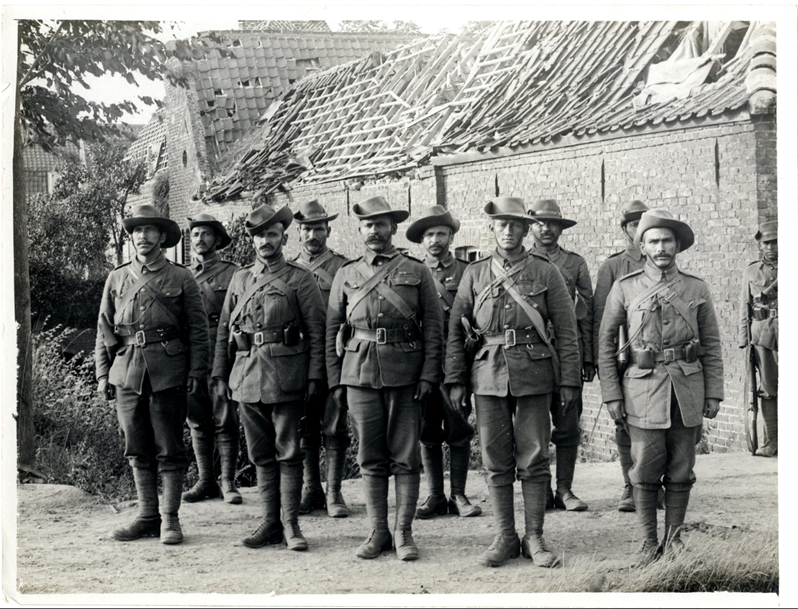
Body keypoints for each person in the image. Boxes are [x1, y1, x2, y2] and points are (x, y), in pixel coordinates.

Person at [446, 197, 581, 568]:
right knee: (494, 459)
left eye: (515, 225)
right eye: (501, 225)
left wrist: (569, 381)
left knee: (535, 457)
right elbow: (456, 332)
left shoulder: (545, 272)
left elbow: (567, 332)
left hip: (535, 374)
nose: (508, 231)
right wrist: (455, 380)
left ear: (526, 230)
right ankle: (505, 536)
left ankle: (534, 536)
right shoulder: (473, 274)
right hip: (487, 374)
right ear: (492, 229)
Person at [598, 209, 723, 564]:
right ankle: (646, 543)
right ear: (642, 246)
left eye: (667, 240)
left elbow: (711, 343)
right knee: (645, 468)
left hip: (687, 390)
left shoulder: (696, 287)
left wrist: (713, 392)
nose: (661, 247)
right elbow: (606, 343)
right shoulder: (625, 287)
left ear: (678, 245)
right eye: (653, 241)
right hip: (642, 391)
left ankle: (675, 541)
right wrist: (611, 393)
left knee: (682, 469)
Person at [325, 196, 444, 561]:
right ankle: (377, 532)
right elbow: (332, 328)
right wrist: (336, 381)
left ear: (393, 229)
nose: (374, 231)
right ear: (360, 230)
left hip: (406, 374)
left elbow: (434, 328)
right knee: (369, 456)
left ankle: (403, 534)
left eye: (381, 224)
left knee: (406, 457)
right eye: (368, 225)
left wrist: (428, 375)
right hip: (358, 374)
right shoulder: (346, 274)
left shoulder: (417, 270)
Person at [212, 204, 326, 551]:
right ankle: (270, 523)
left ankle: (291, 525)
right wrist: (219, 373)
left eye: (272, 234)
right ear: (252, 240)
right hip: (246, 376)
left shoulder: (299, 277)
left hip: (286, 375)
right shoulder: (240, 278)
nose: (265, 240)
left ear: (283, 238)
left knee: (289, 452)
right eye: (259, 235)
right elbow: (223, 331)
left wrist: (315, 377)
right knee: (260, 453)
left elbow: (317, 331)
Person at [95, 204, 209, 545]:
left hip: (169, 371)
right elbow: (103, 328)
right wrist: (103, 374)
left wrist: (197, 370)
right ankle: (147, 516)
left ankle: (170, 521)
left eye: (149, 230)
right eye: (136, 231)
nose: (141, 236)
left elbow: (199, 330)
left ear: (162, 237)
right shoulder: (117, 277)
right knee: (137, 446)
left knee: (170, 447)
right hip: (126, 371)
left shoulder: (181, 277)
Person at [405, 206, 482, 520]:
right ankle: (435, 495)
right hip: (421, 364)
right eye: (429, 235)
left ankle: (459, 494)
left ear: (452, 237)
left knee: (458, 426)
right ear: (422, 241)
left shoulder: (467, 272)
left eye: (441, 234)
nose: (435, 240)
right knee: (427, 430)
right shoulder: (411, 272)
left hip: (455, 363)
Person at [528, 199, 594, 512]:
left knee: (568, 423)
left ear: (560, 228)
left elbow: (587, 315)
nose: (546, 229)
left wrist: (588, 358)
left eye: (553, 224)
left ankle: (565, 489)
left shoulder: (575, 264)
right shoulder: (522, 261)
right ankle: (539, 489)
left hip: (567, 351)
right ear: (531, 226)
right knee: (534, 425)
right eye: (540, 223)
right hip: (533, 354)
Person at [290, 200, 351, 517]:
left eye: (318, 228)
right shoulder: (288, 270)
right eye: (306, 228)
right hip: (297, 357)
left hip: (333, 355)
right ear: (298, 233)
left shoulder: (342, 267)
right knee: (304, 424)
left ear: (328, 230)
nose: (312, 234)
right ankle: (311, 488)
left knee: (335, 423)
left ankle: (335, 494)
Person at [592, 200, 649, 512]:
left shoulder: (666, 262)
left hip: (657, 358)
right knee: (624, 423)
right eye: (632, 224)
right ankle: (630, 486)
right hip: (624, 357)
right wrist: (604, 364)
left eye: (644, 223)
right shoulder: (612, 268)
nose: (638, 230)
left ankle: (656, 484)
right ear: (625, 230)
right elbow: (602, 322)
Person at [182, 214, 242, 505]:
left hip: (222, 350)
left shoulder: (233, 273)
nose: (199, 240)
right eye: (195, 235)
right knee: (196, 418)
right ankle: (206, 481)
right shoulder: (183, 275)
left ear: (217, 240)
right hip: (192, 353)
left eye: (206, 234)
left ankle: (229, 481)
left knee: (226, 417)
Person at [739, 220, 778, 457]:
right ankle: (772, 442)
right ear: (760, 246)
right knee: (768, 389)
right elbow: (744, 307)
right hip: (763, 335)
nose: (771, 247)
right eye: (767, 243)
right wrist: (745, 342)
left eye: (775, 242)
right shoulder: (751, 271)